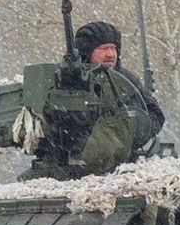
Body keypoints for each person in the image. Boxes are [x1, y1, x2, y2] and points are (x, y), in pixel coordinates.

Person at [70, 20, 165, 170]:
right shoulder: (70, 82)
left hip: (124, 164)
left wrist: (125, 132)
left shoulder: (127, 81)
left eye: (113, 48)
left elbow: (154, 115)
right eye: (103, 48)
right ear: (87, 52)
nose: (110, 54)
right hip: (76, 165)